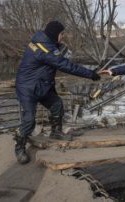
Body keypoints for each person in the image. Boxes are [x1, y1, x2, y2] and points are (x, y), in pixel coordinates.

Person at [15, 21, 101, 164]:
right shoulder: (44, 49)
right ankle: (19, 148)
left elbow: (55, 59)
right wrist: (90, 74)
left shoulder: (44, 42)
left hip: (41, 85)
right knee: (29, 120)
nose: (63, 36)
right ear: (54, 34)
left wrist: (60, 48)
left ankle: (56, 132)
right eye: (61, 34)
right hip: (28, 88)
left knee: (57, 105)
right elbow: (66, 66)